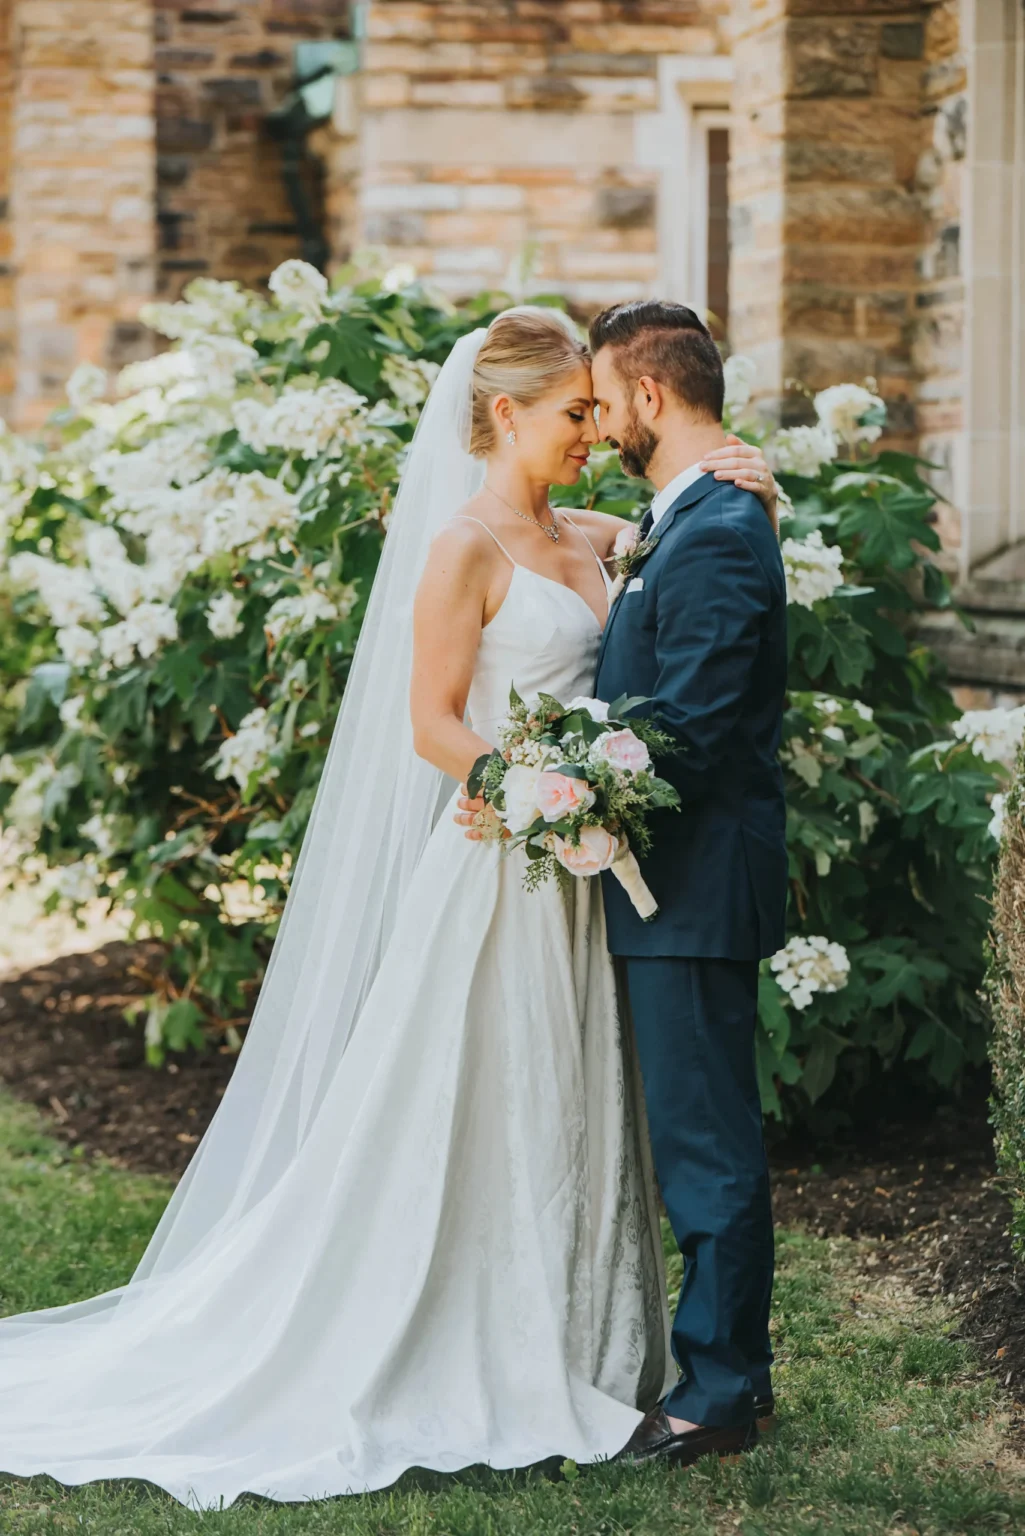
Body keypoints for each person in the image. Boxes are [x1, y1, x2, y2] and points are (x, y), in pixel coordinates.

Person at [0, 308, 777, 1510]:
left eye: (596, 408)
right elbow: (433, 724)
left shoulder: (600, 535)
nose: (590, 432)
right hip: (511, 870)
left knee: (584, 1107)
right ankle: (458, 1335)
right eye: (572, 412)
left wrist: (744, 475)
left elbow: (692, 562)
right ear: (504, 413)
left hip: (600, 886)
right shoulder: (462, 547)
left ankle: (589, 1347)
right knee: (482, 1105)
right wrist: (520, 789)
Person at [591, 301, 787, 1465]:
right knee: (695, 1131)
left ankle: (719, 1391)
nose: (602, 420)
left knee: (706, 1143)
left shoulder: (712, 527)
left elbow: (695, 723)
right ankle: (724, 1372)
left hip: (694, 887)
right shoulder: (691, 515)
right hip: (675, 887)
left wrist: (567, 775)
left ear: (649, 398)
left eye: (605, 401)